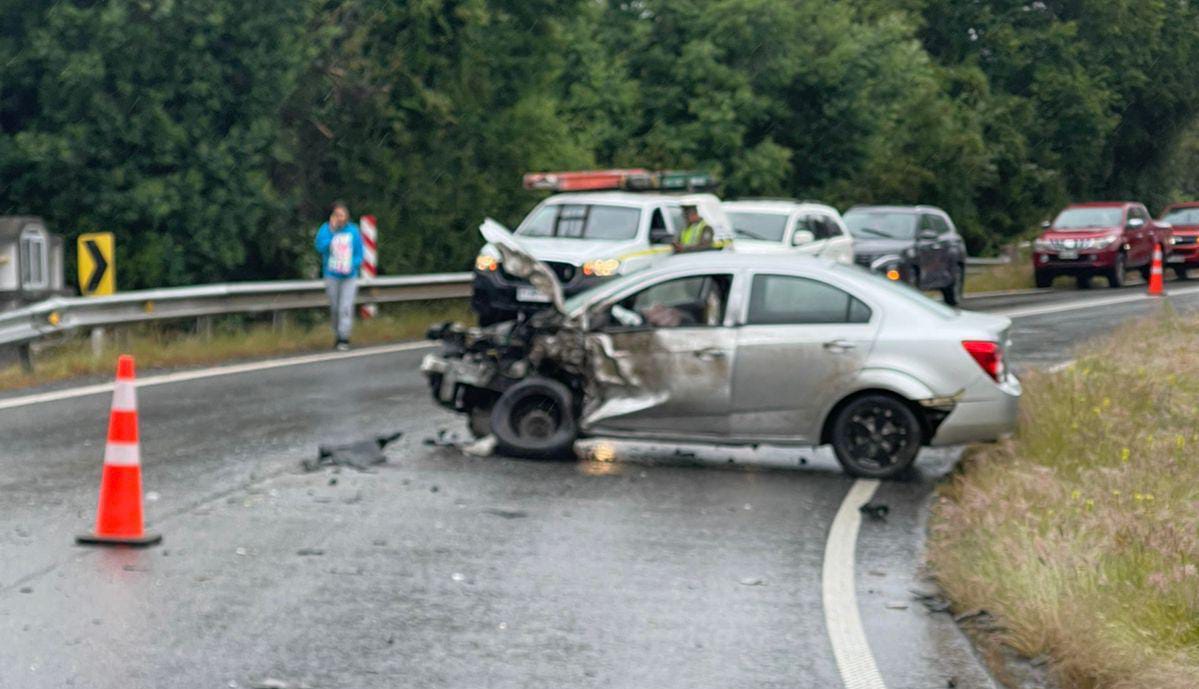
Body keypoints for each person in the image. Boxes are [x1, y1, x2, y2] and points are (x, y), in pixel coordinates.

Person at [314, 201, 364, 351]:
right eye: (337, 215)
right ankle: (337, 334)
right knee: (335, 308)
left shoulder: (353, 231)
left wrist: (352, 265)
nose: (340, 218)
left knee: (345, 307)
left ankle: (344, 337)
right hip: (332, 275)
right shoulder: (325, 230)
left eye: (343, 215)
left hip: (349, 276)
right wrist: (332, 232)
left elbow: (359, 253)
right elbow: (320, 247)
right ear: (332, 216)